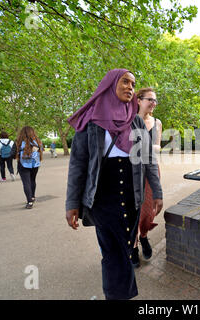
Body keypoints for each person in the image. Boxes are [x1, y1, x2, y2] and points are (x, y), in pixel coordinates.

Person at [65, 69, 163, 300]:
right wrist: (72, 203)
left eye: (133, 84)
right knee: (113, 252)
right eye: (125, 82)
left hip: (132, 195)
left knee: (125, 249)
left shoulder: (136, 121)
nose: (130, 87)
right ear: (110, 84)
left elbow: (148, 159)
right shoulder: (90, 121)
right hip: (102, 197)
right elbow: (78, 164)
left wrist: (156, 191)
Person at [133, 87, 162, 267]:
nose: (153, 103)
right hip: (133, 169)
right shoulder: (129, 120)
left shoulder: (157, 122)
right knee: (132, 207)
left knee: (148, 209)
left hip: (151, 168)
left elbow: (157, 146)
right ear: (138, 100)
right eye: (149, 99)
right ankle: (134, 245)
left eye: (155, 100)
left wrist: (144, 148)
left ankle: (143, 236)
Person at [13, 126, 43, 209]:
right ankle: (32, 197)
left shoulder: (18, 142)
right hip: (35, 164)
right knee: (33, 180)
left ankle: (29, 202)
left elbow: (13, 154)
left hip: (23, 164)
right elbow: (41, 150)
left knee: (26, 182)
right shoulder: (37, 141)